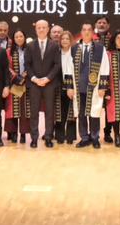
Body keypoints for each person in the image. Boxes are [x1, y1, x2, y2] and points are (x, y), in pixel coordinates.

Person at [68, 23, 109, 148]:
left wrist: (102, 87)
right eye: (84, 30)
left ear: (92, 32)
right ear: (81, 32)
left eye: (89, 30)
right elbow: (69, 68)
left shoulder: (100, 48)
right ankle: (84, 138)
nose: (86, 32)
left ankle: (95, 137)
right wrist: (69, 87)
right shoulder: (74, 48)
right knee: (81, 114)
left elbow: (105, 67)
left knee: (94, 114)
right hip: (78, 87)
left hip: (94, 87)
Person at [24, 19, 60, 148]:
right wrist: (34, 78)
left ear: (48, 29)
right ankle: (34, 138)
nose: (41, 29)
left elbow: (57, 65)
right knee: (34, 112)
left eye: (44, 27)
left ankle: (48, 137)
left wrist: (47, 78)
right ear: (35, 29)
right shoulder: (30, 45)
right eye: (39, 27)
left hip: (49, 83)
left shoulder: (54, 45)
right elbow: (27, 64)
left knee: (49, 112)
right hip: (34, 84)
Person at [5, 29, 30, 144]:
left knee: (24, 110)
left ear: (24, 38)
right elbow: (6, 67)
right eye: (16, 37)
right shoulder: (8, 52)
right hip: (13, 83)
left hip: (26, 83)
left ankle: (23, 134)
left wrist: (24, 75)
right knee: (12, 109)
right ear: (13, 39)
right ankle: (13, 133)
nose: (19, 38)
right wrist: (15, 77)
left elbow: (32, 65)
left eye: (21, 36)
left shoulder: (29, 50)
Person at [55, 29, 78, 144]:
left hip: (72, 86)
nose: (64, 41)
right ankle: (59, 136)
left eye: (67, 39)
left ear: (71, 40)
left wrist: (71, 86)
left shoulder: (75, 53)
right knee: (59, 113)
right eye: (62, 39)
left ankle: (70, 137)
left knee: (71, 113)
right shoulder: (56, 53)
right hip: (59, 86)